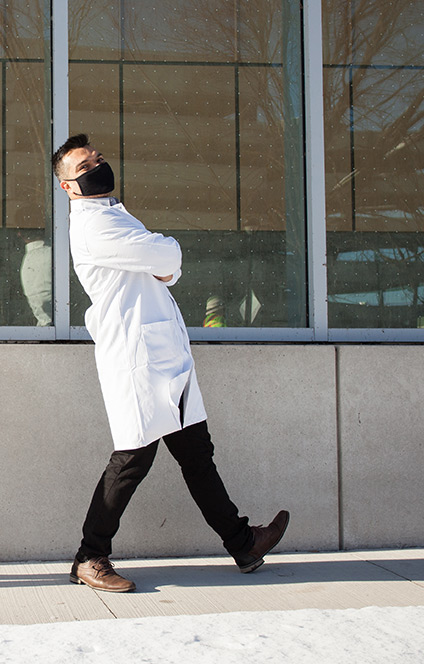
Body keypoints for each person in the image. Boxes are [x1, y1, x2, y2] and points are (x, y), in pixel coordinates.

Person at [52, 134, 289, 593]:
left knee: (197, 455)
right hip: (137, 357)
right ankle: (90, 556)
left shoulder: (114, 217)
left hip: (162, 355)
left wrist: (158, 256)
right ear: (66, 187)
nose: (96, 166)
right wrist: (159, 254)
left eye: (97, 159)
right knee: (133, 458)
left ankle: (243, 544)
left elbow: (168, 269)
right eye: (84, 167)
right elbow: (168, 256)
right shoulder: (93, 226)